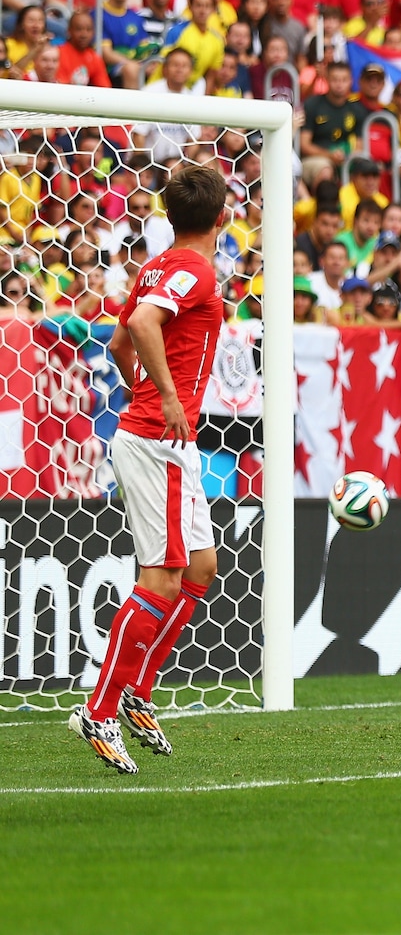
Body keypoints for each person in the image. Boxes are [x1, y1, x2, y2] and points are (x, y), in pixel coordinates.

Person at [71, 165, 229, 773]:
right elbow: (138, 327)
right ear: (223, 217)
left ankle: (136, 689)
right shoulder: (194, 269)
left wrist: (145, 390)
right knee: (161, 577)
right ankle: (100, 708)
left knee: (201, 567)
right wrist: (162, 396)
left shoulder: (155, 266)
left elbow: (118, 345)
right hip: (157, 438)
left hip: (167, 439)